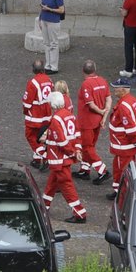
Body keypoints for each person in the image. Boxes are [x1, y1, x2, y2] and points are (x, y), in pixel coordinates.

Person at [42, 82, 86, 223]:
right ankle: (44, 206)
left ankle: (80, 212)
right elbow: (77, 134)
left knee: (67, 186)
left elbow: (61, 142)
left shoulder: (56, 119)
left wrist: (72, 152)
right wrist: (77, 150)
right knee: (51, 185)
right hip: (63, 159)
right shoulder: (70, 115)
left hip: (59, 159)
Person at [105, 85, 136, 195]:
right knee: (121, 167)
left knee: (122, 170)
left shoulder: (123, 106)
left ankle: (122, 193)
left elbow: (130, 128)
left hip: (124, 146)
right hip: (126, 145)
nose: (114, 90)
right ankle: (119, 190)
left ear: (123, 90)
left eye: (117, 88)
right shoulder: (132, 100)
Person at [76, 60, 111, 185]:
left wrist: (101, 112)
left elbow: (90, 104)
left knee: (87, 147)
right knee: (90, 146)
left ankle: (102, 170)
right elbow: (108, 99)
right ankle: (84, 170)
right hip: (97, 121)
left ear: (83, 71)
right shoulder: (102, 81)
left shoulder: (86, 84)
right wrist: (104, 116)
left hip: (87, 121)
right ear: (95, 69)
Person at [22, 61, 53, 169]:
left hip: (35, 116)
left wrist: (25, 111)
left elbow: (27, 102)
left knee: (31, 137)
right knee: (42, 138)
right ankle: (37, 159)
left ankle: (44, 156)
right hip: (47, 115)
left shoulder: (33, 82)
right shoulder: (49, 80)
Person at [38, 0, 65, 73]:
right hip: (44, 19)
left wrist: (49, 9)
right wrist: (40, 19)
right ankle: (47, 65)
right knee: (46, 43)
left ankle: (54, 67)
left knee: (53, 43)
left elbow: (61, 10)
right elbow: (42, 6)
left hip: (53, 21)